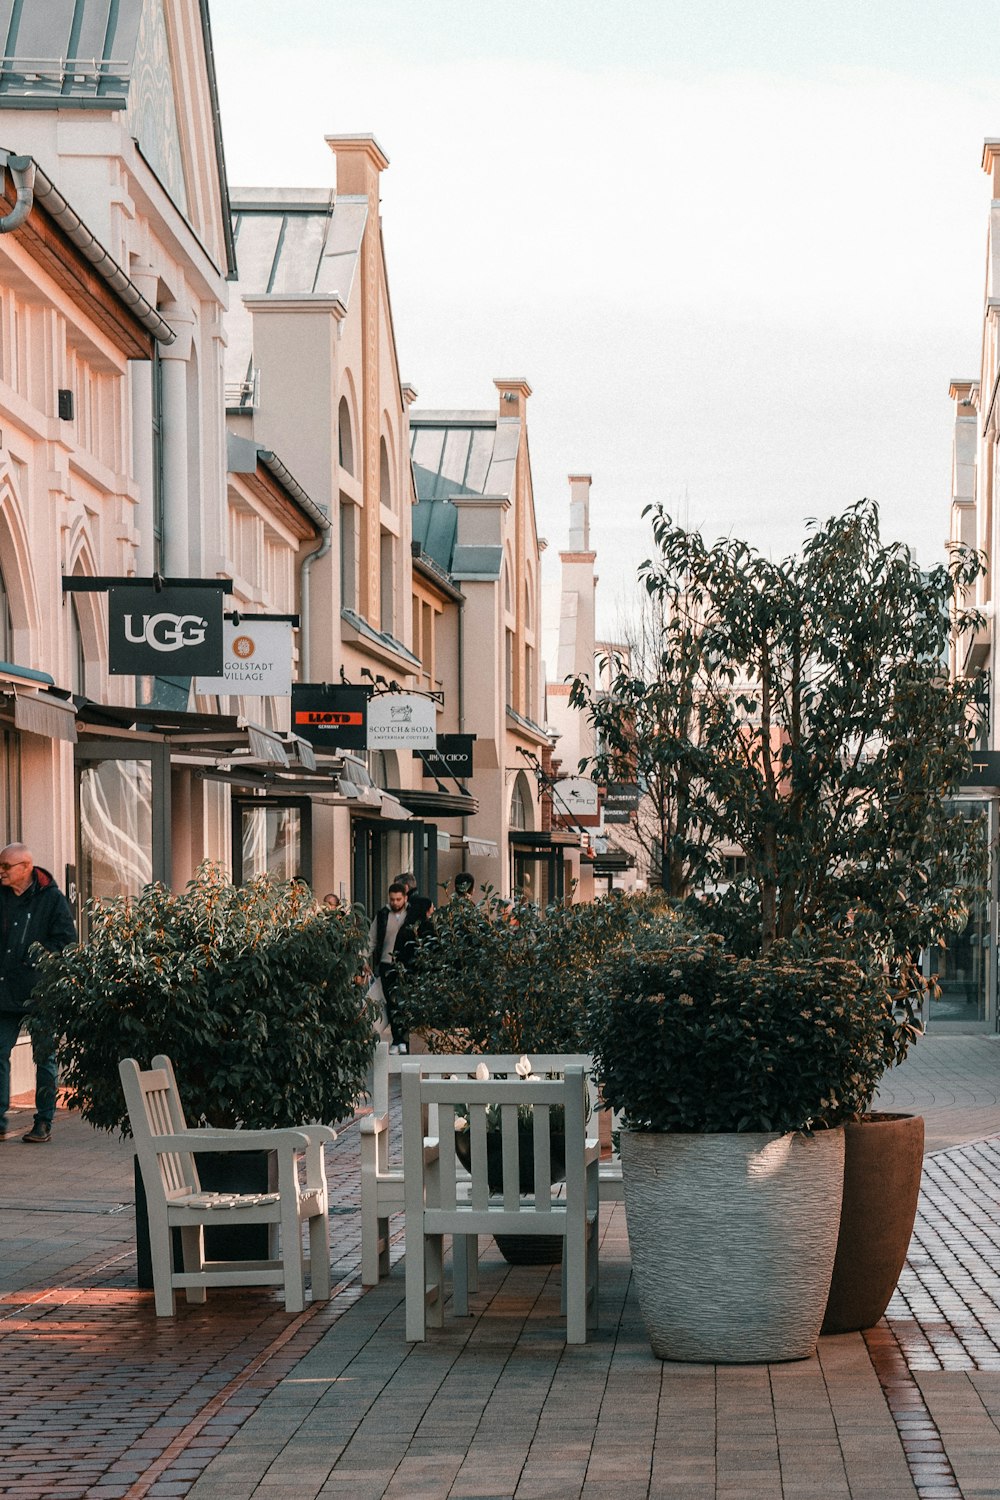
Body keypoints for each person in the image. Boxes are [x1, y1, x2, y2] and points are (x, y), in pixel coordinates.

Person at [0, 843, 77, 1144]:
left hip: (39, 992)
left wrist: (38, 964)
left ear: (26, 867)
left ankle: (43, 1121)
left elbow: (67, 942)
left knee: (44, 1057)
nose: (2, 872)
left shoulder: (52, 899)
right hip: (4, 992)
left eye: (6, 866)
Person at [367, 881, 410, 1053]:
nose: (395, 903)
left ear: (405, 898)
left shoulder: (411, 914)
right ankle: (397, 1039)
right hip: (386, 963)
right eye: (392, 899)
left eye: (398, 899)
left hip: (406, 964)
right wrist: (364, 959)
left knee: (404, 1002)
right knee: (391, 1002)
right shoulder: (383, 914)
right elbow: (372, 938)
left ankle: (404, 1039)